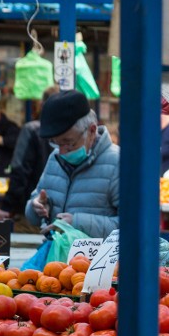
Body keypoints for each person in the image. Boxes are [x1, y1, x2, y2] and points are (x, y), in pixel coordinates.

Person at [25, 90, 119, 239]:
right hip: (57, 257)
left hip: (98, 261)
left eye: (69, 143)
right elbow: (34, 208)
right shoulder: (54, 158)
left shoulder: (117, 163)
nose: (62, 152)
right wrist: (36, 207)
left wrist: (76, 223)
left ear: (92, 131)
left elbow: (131, 225)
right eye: (56, 143)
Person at [0, 85, 59, 219]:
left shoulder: (31, 130)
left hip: (32, 209)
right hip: (59, 212)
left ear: (42, 105)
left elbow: (20, 171)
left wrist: (6, 206)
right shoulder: (71, 134)